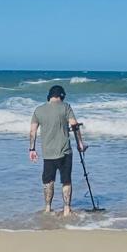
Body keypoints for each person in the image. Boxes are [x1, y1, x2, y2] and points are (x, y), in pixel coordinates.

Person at [28, 84, 86, 216]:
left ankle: (48, 208)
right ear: (61, 96)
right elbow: (75, 126)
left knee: (48, 181)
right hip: (65, 151)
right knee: (66, 180)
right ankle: (66, 209)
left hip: (48, 153)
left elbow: (32, 131)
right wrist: (80, 144)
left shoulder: (38, 110)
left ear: (49, 96)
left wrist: (32, 149)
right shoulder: (66, 107)